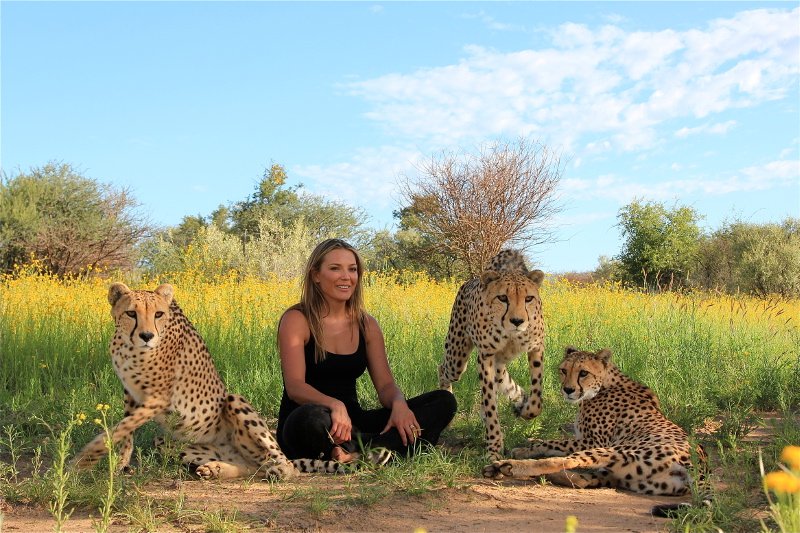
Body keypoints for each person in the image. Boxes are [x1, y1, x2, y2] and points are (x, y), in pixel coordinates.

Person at [277, 238, 457, 463]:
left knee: (443, 401)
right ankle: (387, 448)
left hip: (353, 423)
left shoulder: (367, 325)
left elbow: (385, 386)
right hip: (312, 421)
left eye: (352, 269)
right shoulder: (297, 319)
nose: (346, 277)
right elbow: (295, 387)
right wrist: (334, 404)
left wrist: (399, 405)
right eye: (335, 268)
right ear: (315, 275)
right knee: (309, 418)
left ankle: (355, 452)